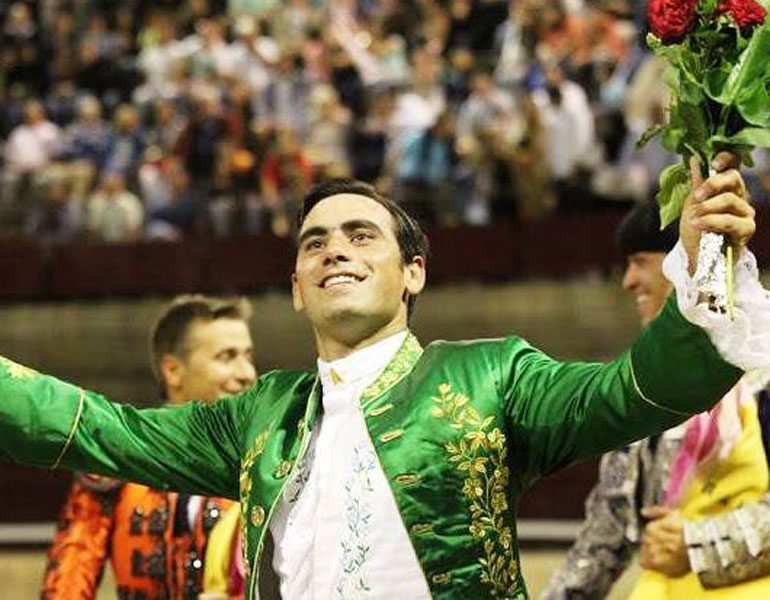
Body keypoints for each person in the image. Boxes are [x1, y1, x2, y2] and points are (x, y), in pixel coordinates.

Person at [0, 154, 768, 599]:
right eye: (314, 243)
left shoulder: (493, 376)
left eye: (361, 235)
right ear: (297, 288)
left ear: (413, 274)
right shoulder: (260, 413)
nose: (334, 249)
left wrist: (703, 264)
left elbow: (636, 392)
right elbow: (98, 428)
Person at [541, 202, 770, 599]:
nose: (628, 281)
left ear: (686, 261)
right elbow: (602, 541)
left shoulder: (762, 366)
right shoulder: (642, 385)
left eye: (640, 261)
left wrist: (701, 544)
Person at [40, 295, 257, 599]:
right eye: (226, 357)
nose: (247, 374)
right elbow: (70, 574)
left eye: (248, 356)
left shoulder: (265, 458)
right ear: (173, 371)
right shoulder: (116, 456)